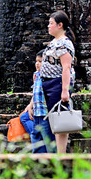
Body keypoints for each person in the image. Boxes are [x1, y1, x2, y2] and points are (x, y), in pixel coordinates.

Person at [36, 10, 75, 153]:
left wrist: (65, 90)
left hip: (58, 84)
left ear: (60, 25)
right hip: (48, 84)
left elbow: (66, 68)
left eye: (51, 23)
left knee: (60, 118)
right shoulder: (54, 42)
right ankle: (58, 152)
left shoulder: (64, 43)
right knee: (54, 118)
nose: (48, 26)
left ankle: (61, 153)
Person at [19, 52, 44, 149]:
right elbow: (35, 92)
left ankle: (37, 140)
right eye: (36, 61)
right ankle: (36, 138)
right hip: (36, 107)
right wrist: (30, 105)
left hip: (43, 108)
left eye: (40, 61)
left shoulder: (47, 76)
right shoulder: (36, 75)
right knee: (24, 117)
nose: (37, 64)